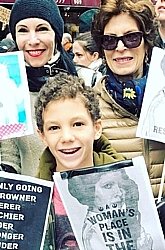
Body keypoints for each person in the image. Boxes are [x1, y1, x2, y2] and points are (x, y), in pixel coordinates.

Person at [34, 72, 125, 249]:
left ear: (97, 128)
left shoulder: (126, 185)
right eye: (54, 128)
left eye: (78, 124)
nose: (67, 137)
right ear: (42, 136)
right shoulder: (33, 197)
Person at [91, 0, 165, 197]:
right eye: (110, 40)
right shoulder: (88, 108)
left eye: (131, 37)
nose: (121, 47)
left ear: (147, 43)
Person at [0, 0, 77, 176]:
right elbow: (10, 156)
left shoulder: (85, 80)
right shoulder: (9, 86)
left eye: (42, 29)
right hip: (32, 199)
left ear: (56, 33)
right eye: (23, 31)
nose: (33, 40)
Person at [68, 168, 153, 250]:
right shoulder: (92, 232)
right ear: (89, 192)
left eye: (121, 185)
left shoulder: (122, 220)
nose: (119, 193)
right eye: (108, 186)